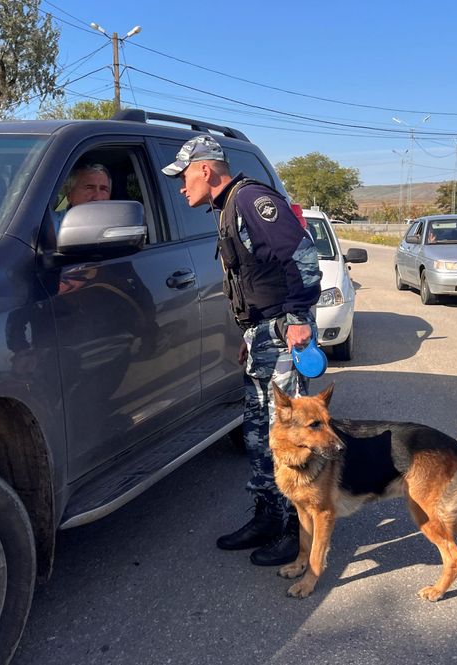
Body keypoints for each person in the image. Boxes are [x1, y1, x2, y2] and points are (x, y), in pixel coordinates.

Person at [162, 135, 321, 567]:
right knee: (258, 432)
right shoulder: (229, 207)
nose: (181, 187)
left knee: (287, 435)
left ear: (206, 169)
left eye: (184, 176)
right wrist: (250, 335)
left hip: (284, 330)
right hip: (263, 335)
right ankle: (269, 515)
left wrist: (300, 317)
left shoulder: (252, 200)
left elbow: (301, 255)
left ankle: (298, 529)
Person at [55, 163, 112, 228]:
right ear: (69, 195)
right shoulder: (50, 225)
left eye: (103, 189)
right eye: (89, 188)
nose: (98, 197)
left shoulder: (116, 226)